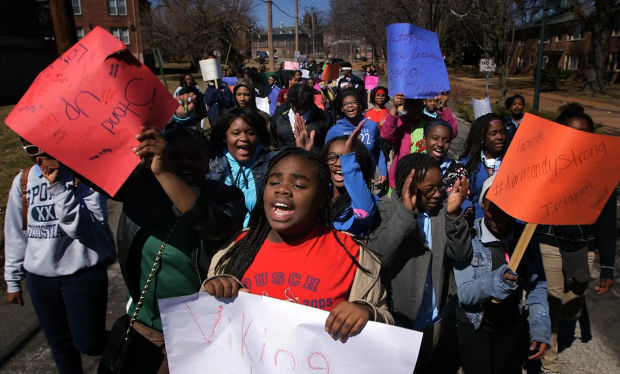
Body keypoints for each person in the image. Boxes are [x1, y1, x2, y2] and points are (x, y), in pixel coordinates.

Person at [202, 147, 393, 343]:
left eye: (299, 185)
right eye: (274, 182)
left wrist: (366, 311)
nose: (282, 189)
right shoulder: (237, 248)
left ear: (320, 199)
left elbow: (385, 324)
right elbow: (204, 324)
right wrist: (215, 291)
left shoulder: (352, 253)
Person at [117, 126, 246, 372]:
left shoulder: (227, 196)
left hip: (195, 330)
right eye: (174, 155)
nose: (185, 163)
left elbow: (214, 226)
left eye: (195, 157)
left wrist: (165, 172)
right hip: (143, 327)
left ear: (209, 164)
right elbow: (100, 175)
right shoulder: (143, 190)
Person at [5, 140, 115, 374]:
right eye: (30, 149)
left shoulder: (84, 177)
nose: (38, 156)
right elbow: (15, 233)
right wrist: (13, 279)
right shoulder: (23, 181)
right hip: (40, 278)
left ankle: (128, 346)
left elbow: (83, 229)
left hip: (82, 275)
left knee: (90, 343)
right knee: (60, 345)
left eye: (43, 147)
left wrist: (57, 187)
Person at [366, 153, 471, 371]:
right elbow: (376, 256)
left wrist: (454, 216)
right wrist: (406, 214)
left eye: (440, 187)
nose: (437, 194)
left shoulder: (442, 213)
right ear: (409, 186)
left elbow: (461, 254)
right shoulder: (387, 210)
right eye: (429, 189)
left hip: (432, 319)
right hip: (397, 319)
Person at [537, 103, 616, 374]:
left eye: (584, 134)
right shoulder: (545, 165)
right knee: (552, 302)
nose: (578, 139)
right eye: (571, 133)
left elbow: (607, 222)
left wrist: (607, 266)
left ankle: (541, 321)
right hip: (549, 242)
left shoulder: (602, 173)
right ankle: (550, 365)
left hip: (583, 246)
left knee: (571, 306)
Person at [454, 175, 550, 374]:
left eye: (505, 209)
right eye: (492, 208)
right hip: (475, 325)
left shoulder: (525, 238)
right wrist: (497, 282)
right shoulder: (469, 236)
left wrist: (540, 329)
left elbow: (537, 286)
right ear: (483, 204)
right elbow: (465, 293)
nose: (499, 217)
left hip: (511, 327)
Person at [208, 107, 275, 228]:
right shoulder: (211, 163)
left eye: (251, 133)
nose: (244, 139)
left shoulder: (273, 163)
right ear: (224, 136)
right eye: (236, 133)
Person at [322, 123, 378, 237]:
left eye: (346, 159)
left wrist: (349, 166)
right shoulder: (321, 194)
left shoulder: (366, 201)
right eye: (332, 157)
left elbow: (364, 213)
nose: (339, 164)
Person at [325, 88, 388, 187]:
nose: (349, 105)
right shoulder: (334, 131)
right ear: (341, 108)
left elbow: (378, 150)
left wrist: (383, 171)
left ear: (360, 105)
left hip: (366, 179)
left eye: (353, 102)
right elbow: (326, 157)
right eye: (346, 104)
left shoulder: (372, 126)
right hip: (343, 181)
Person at [459, 113, 507, 220]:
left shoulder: (512, 161)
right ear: (482, 137)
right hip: (477, 222)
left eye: (503, 132)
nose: (500, 137)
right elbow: (460, 192)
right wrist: (466, 206)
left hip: (506, 224)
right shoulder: (468, 163)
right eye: (493, 133)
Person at [379, 95, 425, 190]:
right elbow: (386, 135)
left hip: (424, 176)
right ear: (406, 107)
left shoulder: (429, 122)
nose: (416, 108)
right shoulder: (400, 122)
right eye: (413, 105)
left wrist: (444, 107)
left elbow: (451, 133)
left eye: (419, 105)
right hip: (402, 175)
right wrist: (395, 107)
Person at [271, 83, 332, 153]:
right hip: (286, 160)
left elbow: (328, 144)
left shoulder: (322, 118)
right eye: (293, 103)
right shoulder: (279, 115)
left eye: (300, 105)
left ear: (309, 103)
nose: (295, 108)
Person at [423, 119, 468, 195]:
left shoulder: (458, 169)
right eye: (435, 138)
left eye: (446, 141)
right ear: (425, 139)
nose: (440, 144)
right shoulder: (414, 167)